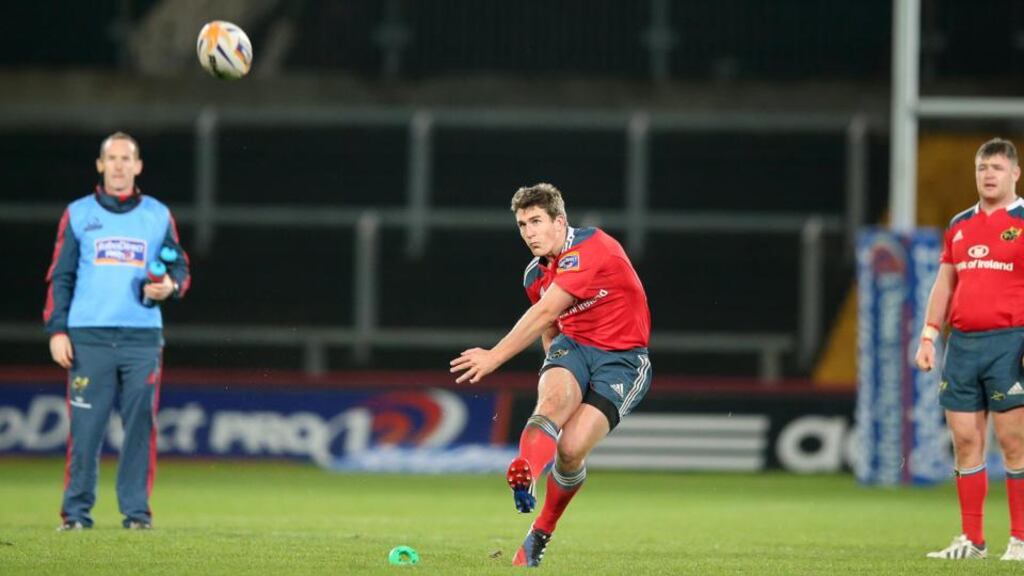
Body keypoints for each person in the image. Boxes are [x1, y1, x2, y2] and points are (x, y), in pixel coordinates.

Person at [450, 183, 651, 567]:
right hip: (573, 347)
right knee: (552, 403)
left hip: (622, 360)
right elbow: (549, 326)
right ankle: (526, 472)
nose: (529, 232)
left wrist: (494, 356)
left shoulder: (593, 248)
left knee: (571, 449)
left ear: (560, 222)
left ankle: (540, 530)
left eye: (536, 221)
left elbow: (544, 312)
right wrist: (557, 367)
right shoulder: (533, 274)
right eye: (523, 224)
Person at [44, 132, 191, 531]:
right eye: (113, 158)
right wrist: (57, 330)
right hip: (88, 337)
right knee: (85, 431)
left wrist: (170, 287)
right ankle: (75, 515)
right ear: (101, 165)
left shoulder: (158, 215)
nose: (120, 165)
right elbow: (61, 277)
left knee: (140, 428)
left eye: (128, 158)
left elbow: (180, 267)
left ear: (138, 166)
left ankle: (137, 515)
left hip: (141, 337)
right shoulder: (77, 214)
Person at [916, 137, 1024, 561]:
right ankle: (973, 541)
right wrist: (928, 336)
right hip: (961, 346)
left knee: (1013, 441)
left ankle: (1020, 539)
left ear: (1015, 173)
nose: (989, 175)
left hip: (1010, 343)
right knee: (964, 440)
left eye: (997, 167)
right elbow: (944, 283)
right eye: (982, 168)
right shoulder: (960, 224)